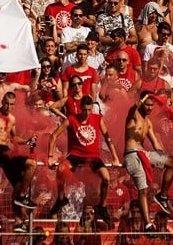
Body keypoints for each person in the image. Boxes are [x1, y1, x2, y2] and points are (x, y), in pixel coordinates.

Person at [47, 95, 120, 226]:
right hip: (75, 155)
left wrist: (115, 157)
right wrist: (50, 156)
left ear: (92, 108)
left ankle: (102, 206)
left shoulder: (98, 119)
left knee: (106, 178)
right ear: (80, 108)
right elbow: (53, 136)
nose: (87, 113)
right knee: (61, 169)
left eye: (89, 110)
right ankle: (61, 198)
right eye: (85, 109)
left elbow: (108, 138)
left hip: (93, 156)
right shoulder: (72, 119)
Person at [0, 92, 38, 227]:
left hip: (7, 152)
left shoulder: (12, 118)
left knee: (17, 184)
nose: (8, 107)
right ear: (2, 102)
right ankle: (22, 196)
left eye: (11, 104)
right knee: (31, 163)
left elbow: (14, 138)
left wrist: (27, 141)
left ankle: (18, 221)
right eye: (6, 103)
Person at [124, 91, 173, 232]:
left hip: (144, 153)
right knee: (143, 190)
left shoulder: (148, 123)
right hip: (132, 154)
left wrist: (162, 157)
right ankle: (148, 224)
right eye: (147, 104)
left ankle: (162, 196)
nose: (149, 108)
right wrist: (142, 99)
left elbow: (155, 143)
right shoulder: (132, 117)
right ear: (142, 103)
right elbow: (132, 109)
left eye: (151, 105)